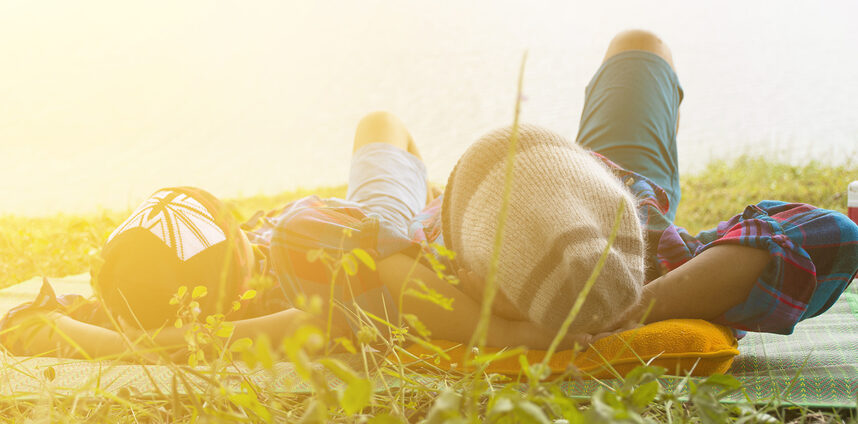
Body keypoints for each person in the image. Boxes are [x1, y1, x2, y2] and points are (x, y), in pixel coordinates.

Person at [1, 112, 573, 359]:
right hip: (354, 243)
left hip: (356, 227)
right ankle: (428, 211)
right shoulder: (290, 274)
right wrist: (123, 346)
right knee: (379, 134)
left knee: (379, 125)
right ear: (249, 265)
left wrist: (115, 333)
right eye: (246, 246)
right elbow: (325, 325)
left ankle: (427, 203)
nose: (252, 239)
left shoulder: (130, 300)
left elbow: (24, 320)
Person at [450, 29, 858, 338]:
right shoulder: (653, 255)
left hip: (575, 180)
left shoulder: (452, 270)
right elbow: (836, 234)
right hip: (622, 183)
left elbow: (388, 270)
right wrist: (637, 308)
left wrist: (506, 331)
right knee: (641, 43)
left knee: (383, 127)